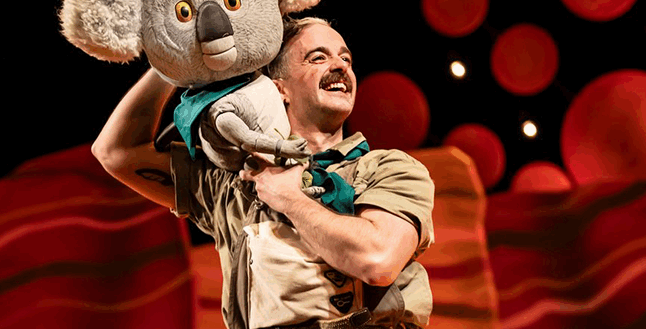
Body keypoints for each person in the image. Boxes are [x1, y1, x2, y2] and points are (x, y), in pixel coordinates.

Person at [91, 17, 435, 329]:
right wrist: (175, 58)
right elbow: (116, 153)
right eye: (318, 58)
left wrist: (289, 198)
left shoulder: (390, 169)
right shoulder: (233, 181)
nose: (339, 66)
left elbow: (377, 261)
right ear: (278, 88)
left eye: (346, 59)